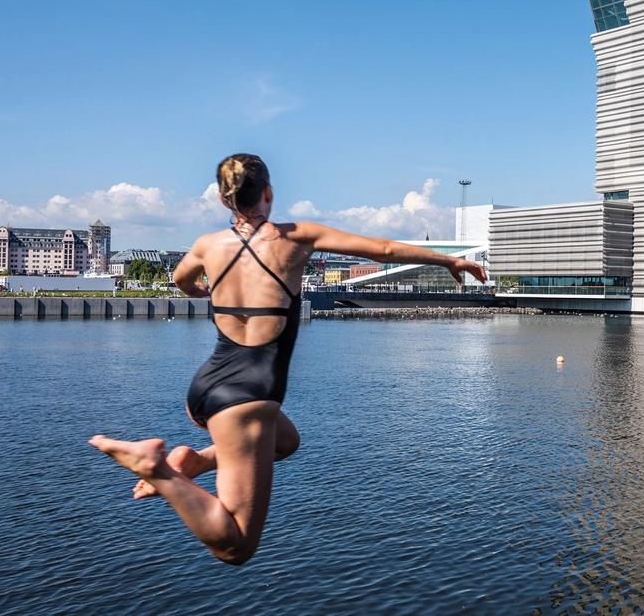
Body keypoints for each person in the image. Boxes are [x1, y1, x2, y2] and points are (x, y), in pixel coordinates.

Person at [89, 153, 486, 565]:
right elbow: (383, 250)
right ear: (268, 193)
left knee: (286, 441)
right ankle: (158, 469)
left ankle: (194, 462)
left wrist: (199, 292)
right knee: (237, 545)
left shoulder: (208, 245)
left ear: (226, 201)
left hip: (206, 386)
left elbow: (180, 279)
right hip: (247, 398)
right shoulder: (295, 238)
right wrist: (450, 259)